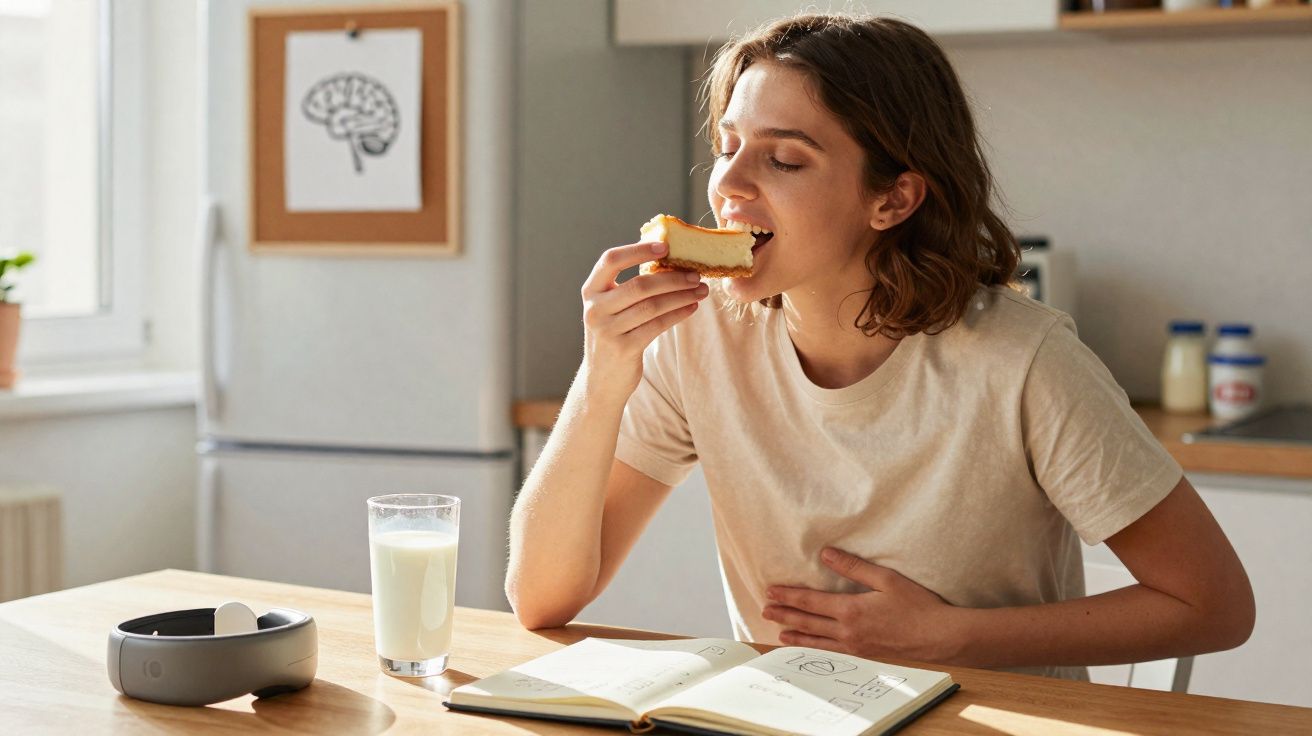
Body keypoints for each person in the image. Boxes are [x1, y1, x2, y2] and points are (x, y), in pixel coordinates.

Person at [505, 13, 1254, 681]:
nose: (727, 183)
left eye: (784, 159)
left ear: (892, 198)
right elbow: (540, 597)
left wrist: (952, 637)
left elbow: (1214, 604)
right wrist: (603, 375)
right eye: (728, 146)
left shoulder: (1024, 364)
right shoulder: (698, 340)